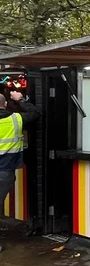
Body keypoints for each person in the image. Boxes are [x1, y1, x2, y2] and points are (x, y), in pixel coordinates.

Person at [0, 91, 40, 252]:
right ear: (5, 104)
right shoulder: (16, 119)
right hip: (5, 172)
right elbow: (35, 113)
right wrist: (20, 99)